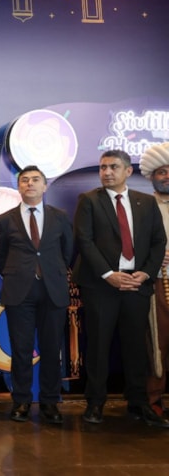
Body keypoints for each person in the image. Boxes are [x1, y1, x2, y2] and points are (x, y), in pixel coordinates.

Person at [73, 149, 169, 428]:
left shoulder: (145, 202)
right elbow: (84, 241)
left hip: (136, 283)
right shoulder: (89, 200)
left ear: (128, 171)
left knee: (136, 346)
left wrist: (145, 273)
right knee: (99, 345)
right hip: (101, 285)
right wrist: (108, 274)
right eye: (103, 167)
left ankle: (139, 403)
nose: (107, 172)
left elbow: (158, 241)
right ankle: (95, 403)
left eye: (113, 167)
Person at [0, 165, 73, 424]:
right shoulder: (5, 219)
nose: (30, 183)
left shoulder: (60, 217)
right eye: (24, 180)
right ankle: (21, 401)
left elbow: (68, 251)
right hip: (20, 291)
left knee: (51, 348)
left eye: (35, 179)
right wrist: (18, 273)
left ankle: (50, 401)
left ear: (44, 185)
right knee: (21, 349)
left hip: (53, 290)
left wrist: (51, 271)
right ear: (18, 186)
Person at [139, 143, 169, 418]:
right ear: (152, 176)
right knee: (157, 343)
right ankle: (153, 399)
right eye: (162, 171)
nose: (167, 176)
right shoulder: (144, 207)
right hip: (158, 282)